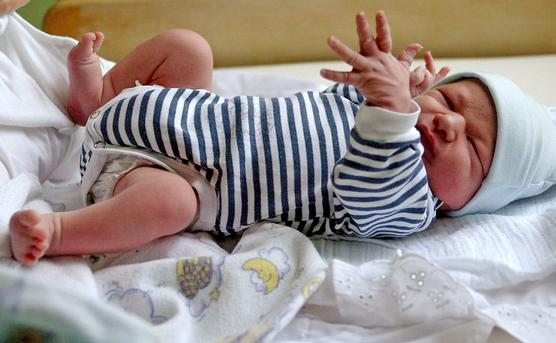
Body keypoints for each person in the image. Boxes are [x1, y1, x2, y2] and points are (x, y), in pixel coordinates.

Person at [9, 11, 556, 266]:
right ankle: (97, 99)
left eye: (476, 149)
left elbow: (371, 180)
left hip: (172, 176)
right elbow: (386, 102)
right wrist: (392, 82)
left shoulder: (408, 204)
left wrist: (393, 110)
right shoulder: (378, 106)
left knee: (170, 205)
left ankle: (60, 232)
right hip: (172, 111)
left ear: (469, 202)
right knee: (189, 47)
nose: (449, 124)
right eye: (453, 101)